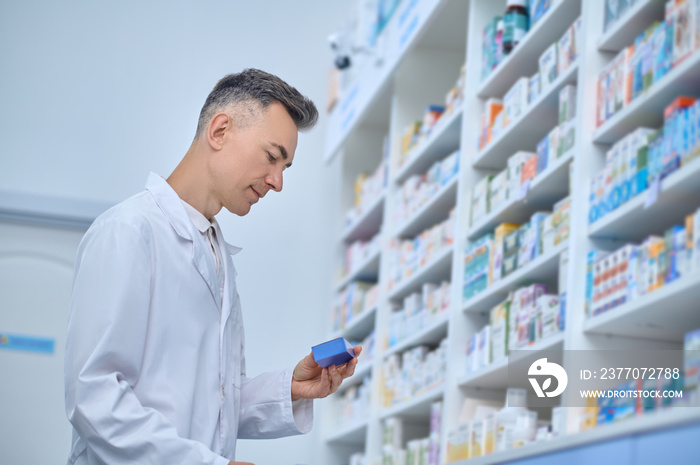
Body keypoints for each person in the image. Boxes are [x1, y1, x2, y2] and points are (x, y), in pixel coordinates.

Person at [64, 69, 361, 465]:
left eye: (284, 168)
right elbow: (94, 398)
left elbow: (214, 400)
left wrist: (290, 387)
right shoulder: (129, 231)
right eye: (272, 157)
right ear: (219, 131)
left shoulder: (216, 249)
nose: (277, 182)